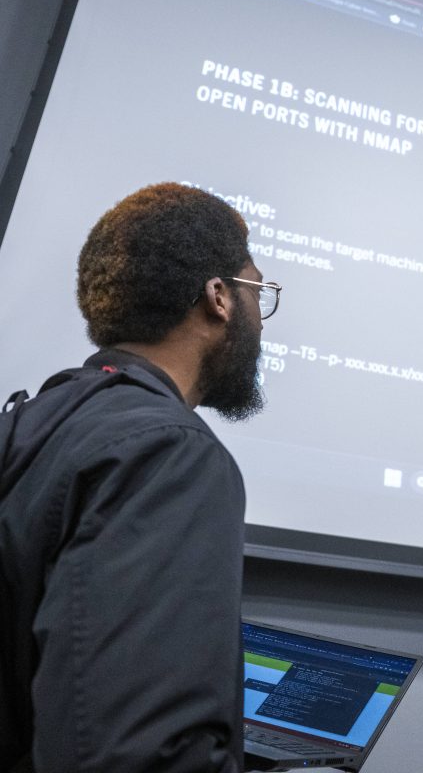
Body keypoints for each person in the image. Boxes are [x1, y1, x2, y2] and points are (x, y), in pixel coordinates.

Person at [0, 183, 281, 772]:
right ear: (219, 297)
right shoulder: (169, 453)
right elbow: (136, 751)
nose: (262, 313)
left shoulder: (30, 422)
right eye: (258, 289)